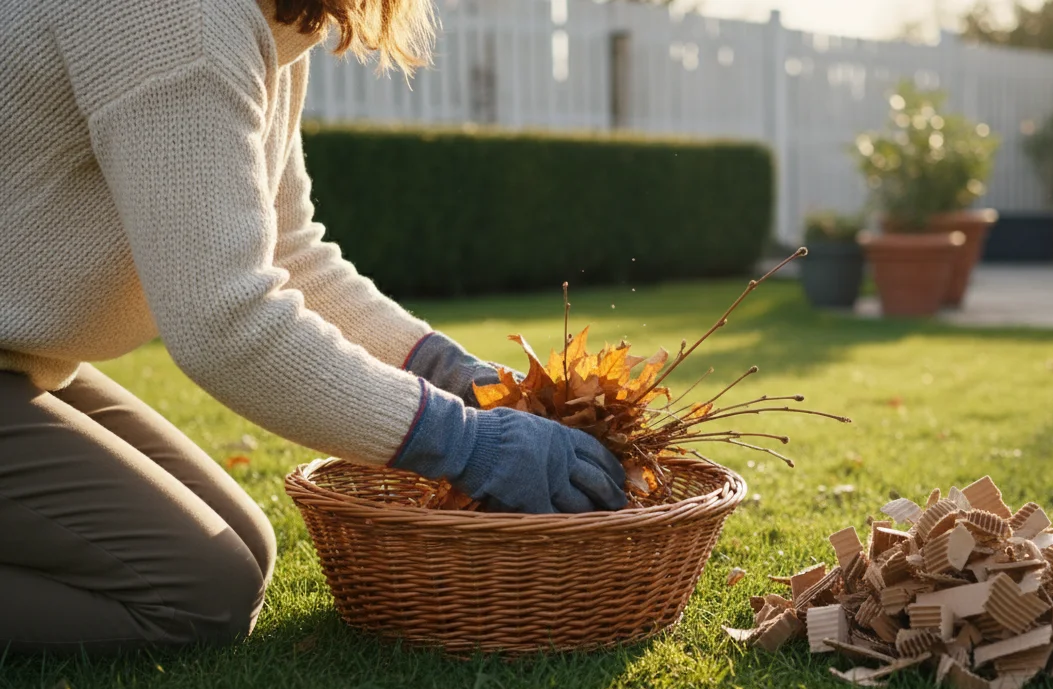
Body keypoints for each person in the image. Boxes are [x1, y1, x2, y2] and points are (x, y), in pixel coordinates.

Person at [0, 0, 627, 654]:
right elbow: (223, 319)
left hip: (27, 362)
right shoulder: (178, 19)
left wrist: (450, 374)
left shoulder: (265, 22)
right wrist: (465, 442)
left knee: (243, 547)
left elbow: (290, 254)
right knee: (197, 595)